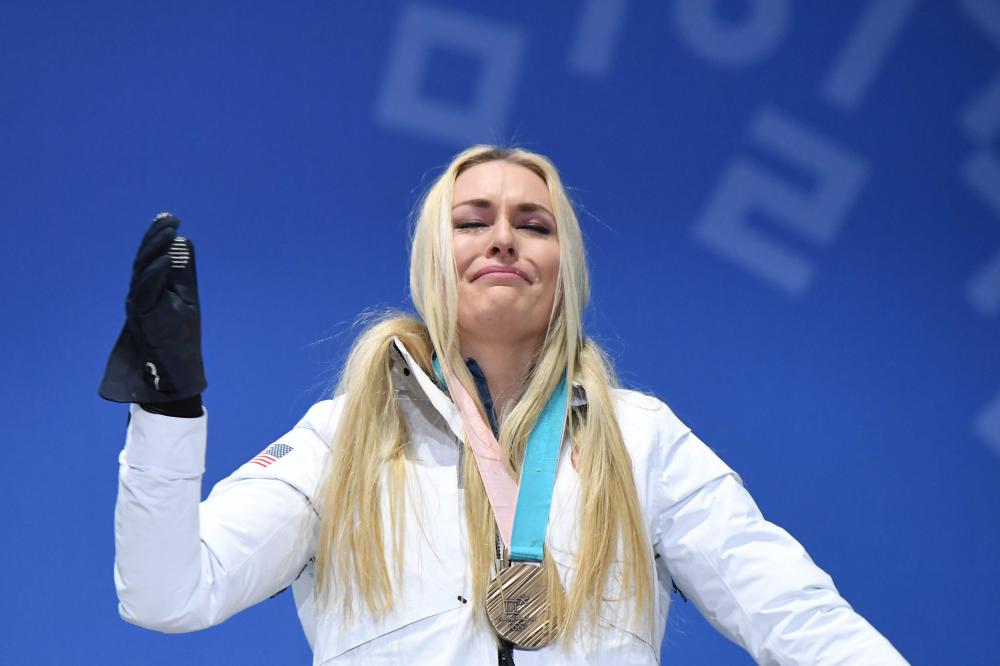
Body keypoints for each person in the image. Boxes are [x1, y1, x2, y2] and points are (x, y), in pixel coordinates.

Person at [104, 146, 908, 665]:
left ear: (567, 267)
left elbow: (796, 617)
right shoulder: (342, 437)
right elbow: (167, 593)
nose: (502, 240)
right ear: (433, 257)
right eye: (471, 221)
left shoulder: (642, 439)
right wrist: (167, 412)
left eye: (534, 223)